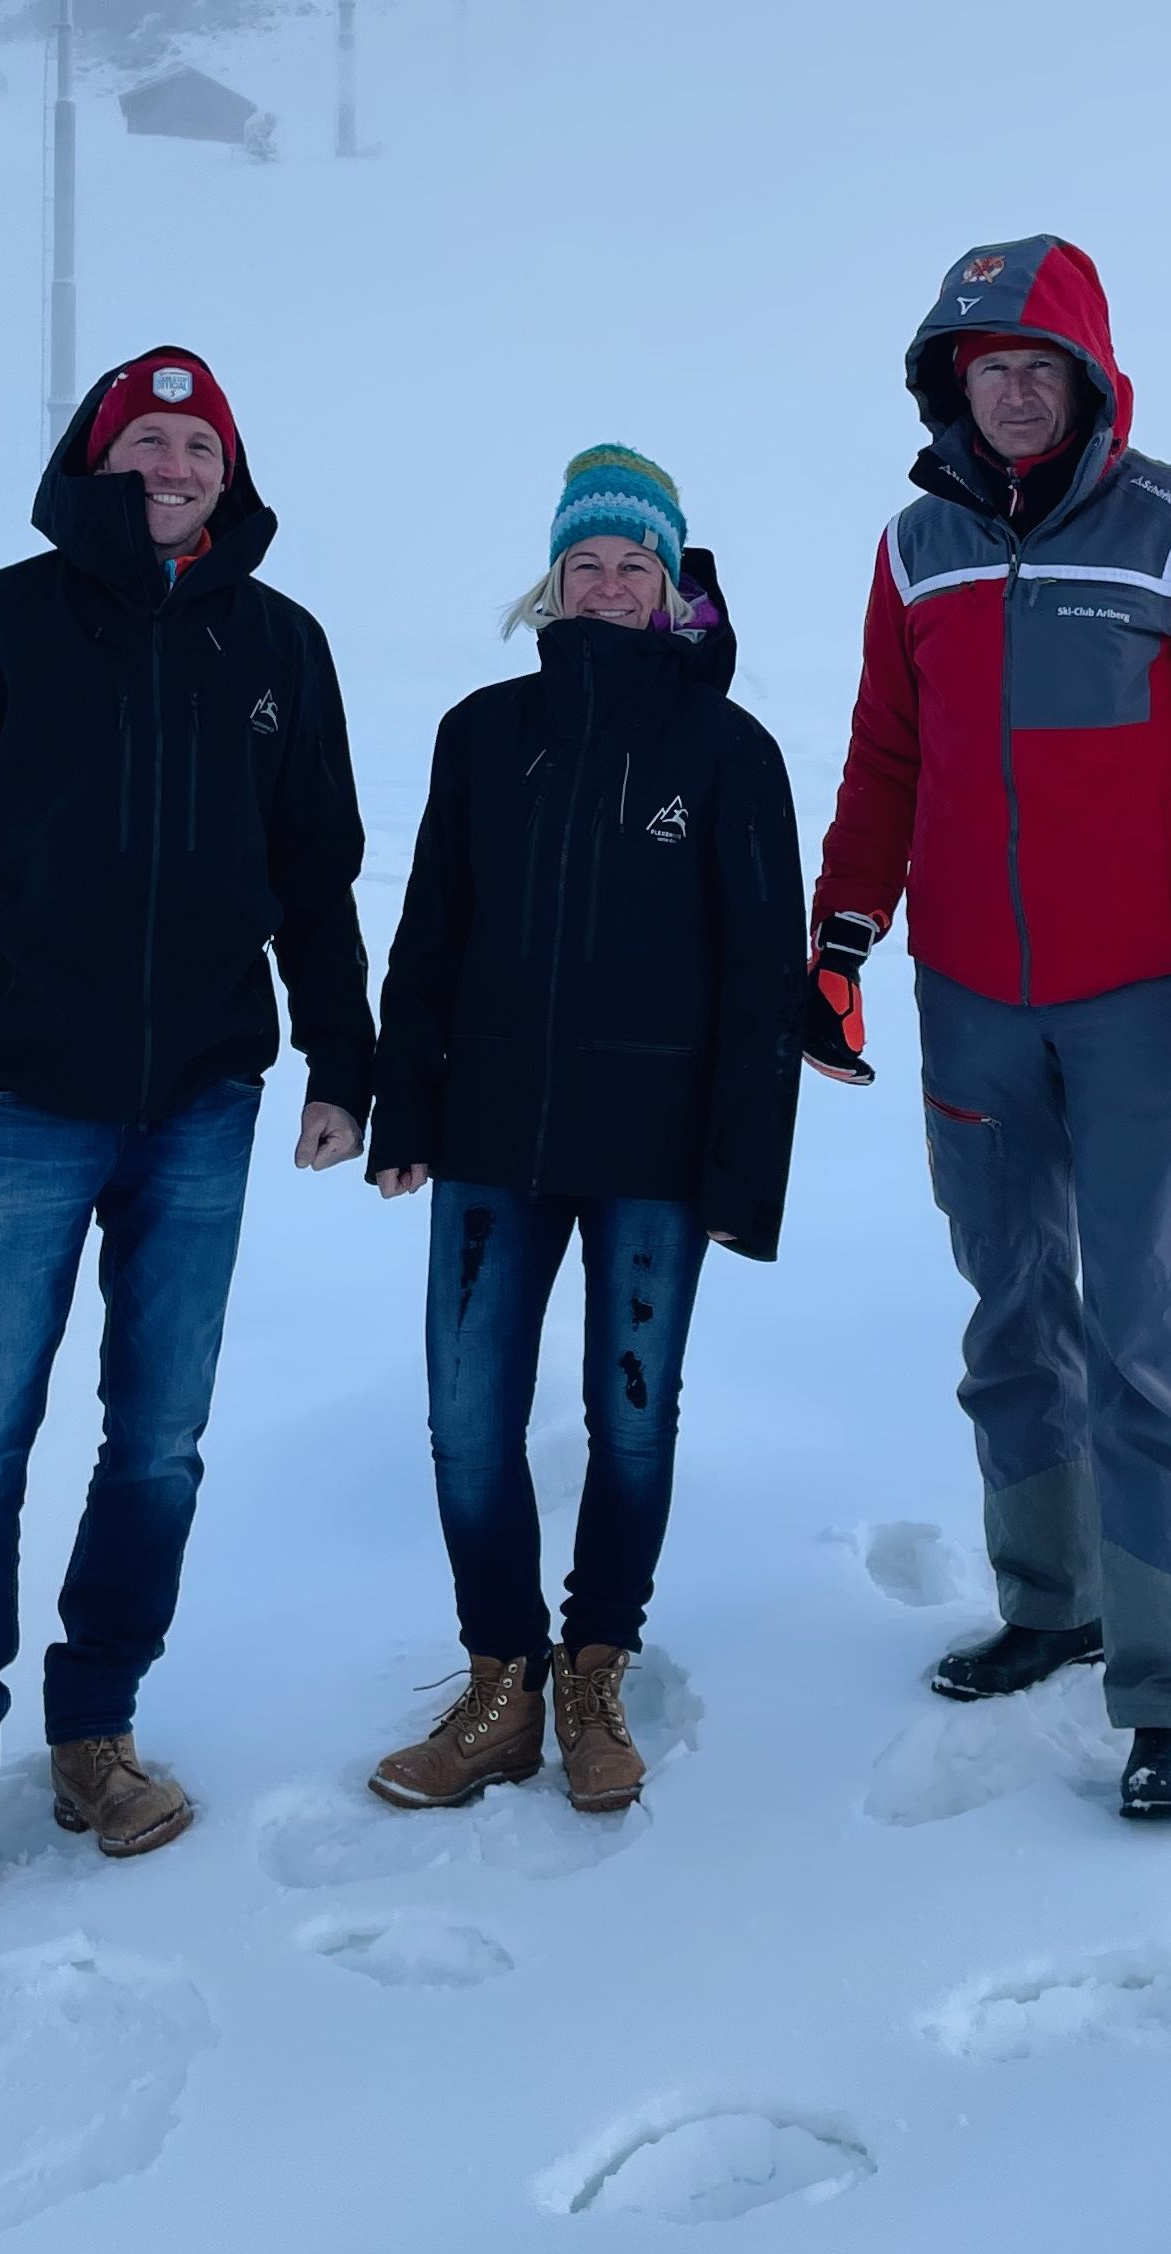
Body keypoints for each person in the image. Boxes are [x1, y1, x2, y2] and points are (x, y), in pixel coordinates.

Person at [805, 239, 1171, 1820]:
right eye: (987, 370)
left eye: (1039, 368)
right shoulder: (916, 549)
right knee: (1008, 1303)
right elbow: (883, 756)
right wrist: (843, 933)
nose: (1015, 394)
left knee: (1153, 1329)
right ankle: (1052, 1596)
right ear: (949, 385)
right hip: (968, 996)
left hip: (1137, 1003)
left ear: (1090, 379)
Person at [0, 347, 374, 1920]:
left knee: (156, 1437)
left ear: (229, 473)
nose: (175, 462)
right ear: (96, 458)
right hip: (22, 1096)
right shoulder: (0, 623)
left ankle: (96, 1734)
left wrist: (345, 1060)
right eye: (147, 437)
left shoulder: (278, 645)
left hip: (204, 1098)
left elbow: (316, 878)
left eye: (199, 444)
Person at [366, 447, 803, 1814]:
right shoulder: (484, 733)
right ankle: (499, 1679)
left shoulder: (728, 754)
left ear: (672, 589)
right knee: (464, 1416)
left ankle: (593, 1670)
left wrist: (743, 1173)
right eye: (587, 563)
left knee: (629, 1423)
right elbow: (428, 930)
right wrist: (404, 1104)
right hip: (493, 1141)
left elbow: (762, 979)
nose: (609, 583)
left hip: (658, 1159)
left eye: (635, 565)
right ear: (550, 580)